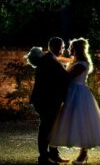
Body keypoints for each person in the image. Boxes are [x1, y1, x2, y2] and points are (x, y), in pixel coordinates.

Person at [49, 37, 100, 164]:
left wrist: (56, 67)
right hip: (70, 94)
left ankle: (83, 154)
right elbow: (57, 59)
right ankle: (54, 153)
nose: (68, 49)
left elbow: (67, 76)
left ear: (76, 49)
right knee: (66, 120)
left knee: (81, 122)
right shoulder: (73, 61)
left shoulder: (82, 64)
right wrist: (49, 57)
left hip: (79, 95)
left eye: (71, 48)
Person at [29, 37, 70, 165]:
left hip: (48, 99)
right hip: (46, 100)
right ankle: (43, 158)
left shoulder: (50, 58)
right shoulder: (50, 60)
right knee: (46, 128)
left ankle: (53, 154)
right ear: (55, 46)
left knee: (52, 127)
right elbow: (64, 77)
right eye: (62, 46)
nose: (63, 49)